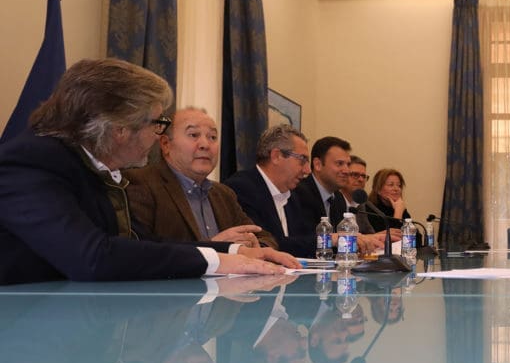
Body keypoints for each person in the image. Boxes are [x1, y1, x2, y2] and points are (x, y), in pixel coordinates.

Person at [0, 58, 292, 285]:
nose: (158, 135)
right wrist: (215, 262)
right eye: (157, 123)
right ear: (119, 128)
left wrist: (233, 251)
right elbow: (93, 257)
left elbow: (140, 243)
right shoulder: (29, 165)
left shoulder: (90, 167)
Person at [126, 106, 278, 249]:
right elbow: (142, 250)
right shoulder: (140, 184)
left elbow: (265, 238)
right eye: (194, 135)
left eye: (212, 137)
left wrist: (255, 246)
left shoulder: (224, 194)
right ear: (166, 144)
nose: (205, 144)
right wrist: (213, 247)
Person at [226, 126, 383, 258]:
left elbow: (302, 242)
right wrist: (331, 239)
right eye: (302, 160)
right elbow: (268, 244)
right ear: (276, 156)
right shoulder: (242, 188)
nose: (307, 170)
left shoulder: (292, 195)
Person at [360, 168, 413, 233]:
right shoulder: (369, 209)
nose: (396, 189)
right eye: (391, 185)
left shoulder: (399, 206)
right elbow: (390, 237)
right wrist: (398, 214)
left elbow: (417, 236)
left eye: (399, 185)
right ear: (378, 189)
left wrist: (399, 210)